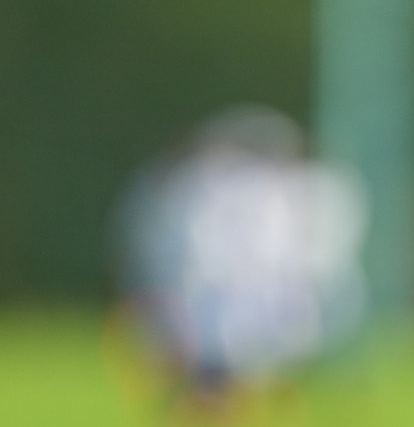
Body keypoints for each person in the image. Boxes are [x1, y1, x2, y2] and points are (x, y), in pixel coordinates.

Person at [117, 107, 365, 410]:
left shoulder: (285, 188)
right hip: (229, 291)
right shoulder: (215, 185)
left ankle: (229, 396)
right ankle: (219, 397)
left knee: (254, 349)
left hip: (253, 290)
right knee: (232, 348)